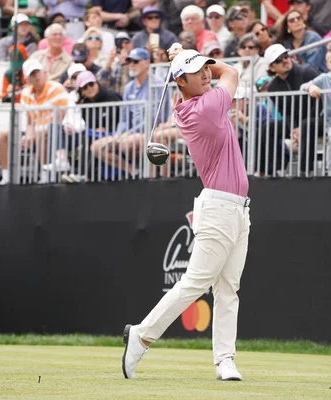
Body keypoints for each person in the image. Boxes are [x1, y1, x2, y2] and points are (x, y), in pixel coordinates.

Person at [121, 44, 250, 382]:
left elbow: (215, 74)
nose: (208, 72)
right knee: (196, 283)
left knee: (228, 289)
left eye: (207, 67)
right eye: (198, 71)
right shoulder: (206, 107)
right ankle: (142, 335)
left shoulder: (193, 102)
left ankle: (225, 361)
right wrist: (185, 53)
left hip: (237, 209)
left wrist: (188, 56)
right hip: (220, 207)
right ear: (180, 81)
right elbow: (232, 72)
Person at [90, 48, 167, 178]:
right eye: (129, 61)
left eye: (135, 61)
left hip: (152, 131)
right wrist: (119, 134)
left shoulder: (157, 84)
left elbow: (155, 117)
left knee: (128, 143)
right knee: (97, 147)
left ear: (147, 62)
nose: (131, 64)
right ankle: (134, 172)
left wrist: (129, 134)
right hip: (130, 134)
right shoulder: (128, 87)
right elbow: (125, 119)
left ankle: (152, 177)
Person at [0, 59, 69, 185]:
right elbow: (30, 121)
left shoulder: (57, 88)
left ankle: (45, 176)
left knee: (41, 135)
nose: (36, 76)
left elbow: (60, 118)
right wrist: (29, 135)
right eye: (32, 74)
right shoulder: (25, 94)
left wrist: (35, 134)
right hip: (36, 130)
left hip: (55, 130)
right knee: (4, 135)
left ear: (44, 73)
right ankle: (6, 176)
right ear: (27, 79)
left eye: (38, 72)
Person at [260, 43, 320, 175]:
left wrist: (299, 128)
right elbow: (285, 113)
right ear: (272, 67)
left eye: (286, 56)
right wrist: (294, 128)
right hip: (295, 123)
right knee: (268, 127)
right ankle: (273, 170)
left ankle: (305, 171)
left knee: (307, 125)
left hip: (318, 118)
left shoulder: (307, 72)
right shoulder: (272, 87)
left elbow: (319, 103)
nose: (285, 60)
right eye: (278, 60)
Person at [300, 47, 331, 174]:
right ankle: (330, 170)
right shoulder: (323, 78)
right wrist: (311, 87)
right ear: (327, 64)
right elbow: (303, 87)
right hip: (330, 121)